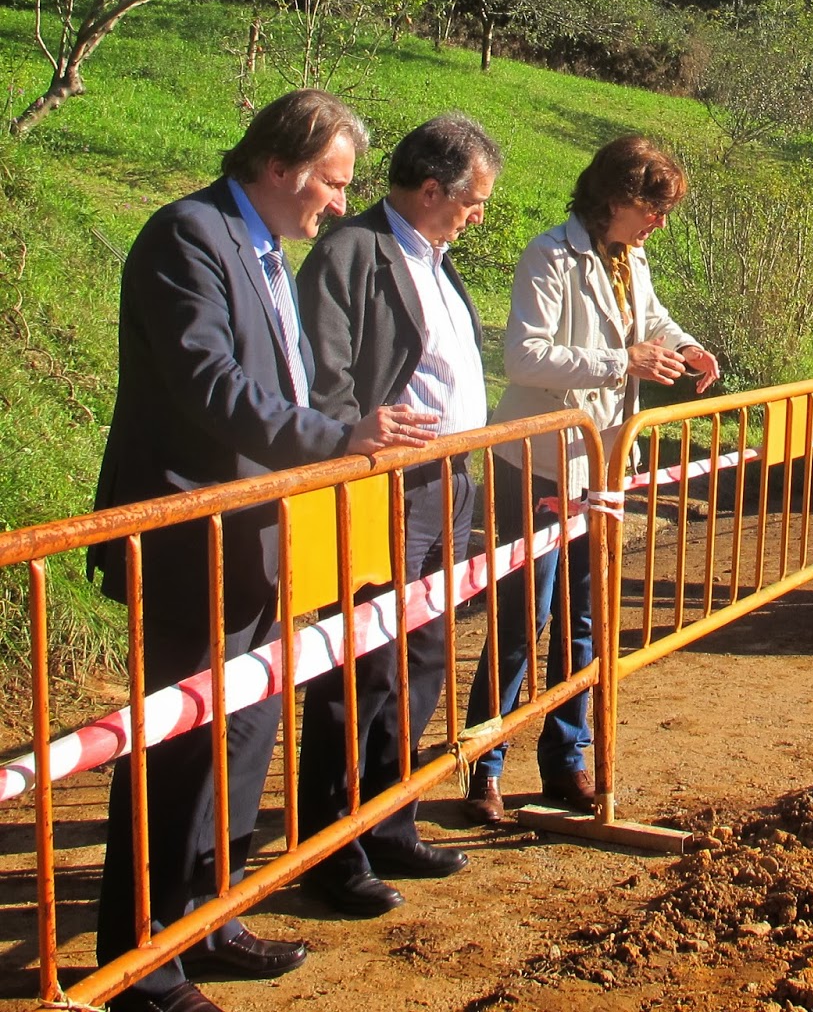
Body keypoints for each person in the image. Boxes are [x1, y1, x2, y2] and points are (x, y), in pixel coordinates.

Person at [88, 90, 438, 1012]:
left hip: (260, 541)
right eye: (331, 182)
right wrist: (340, 440)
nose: (338, 202)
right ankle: (141, 964)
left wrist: (338, 440)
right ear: (280, 167)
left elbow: (281, 382)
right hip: (187, 539)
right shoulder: (187, 237)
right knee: (176, 750)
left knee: (241, 737)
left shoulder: (266, 250)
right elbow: (211, 387)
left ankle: (211, 914)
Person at [461, 135, 719, 821]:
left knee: (582, 621)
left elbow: (651, 320)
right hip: (538, 464)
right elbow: (525, 357)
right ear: (614, 198)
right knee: (520, 619)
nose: (659, 225)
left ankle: (564, 760)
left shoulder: (628, 258)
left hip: (600, 467)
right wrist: (620, 361)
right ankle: (484, 764)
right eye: (651, 209)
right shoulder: (549, 254)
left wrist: (686, 347)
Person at [294, 115, 502, 918]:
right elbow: (327, 374)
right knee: (359, 670)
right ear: (429, 191)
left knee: (423, 657)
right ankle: (331, 850)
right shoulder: (351, 253)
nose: (477, 214)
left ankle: (391, 820)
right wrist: (356, 461)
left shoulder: (436, 262)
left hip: (447, 483)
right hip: (382, 486)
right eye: (472, 201)